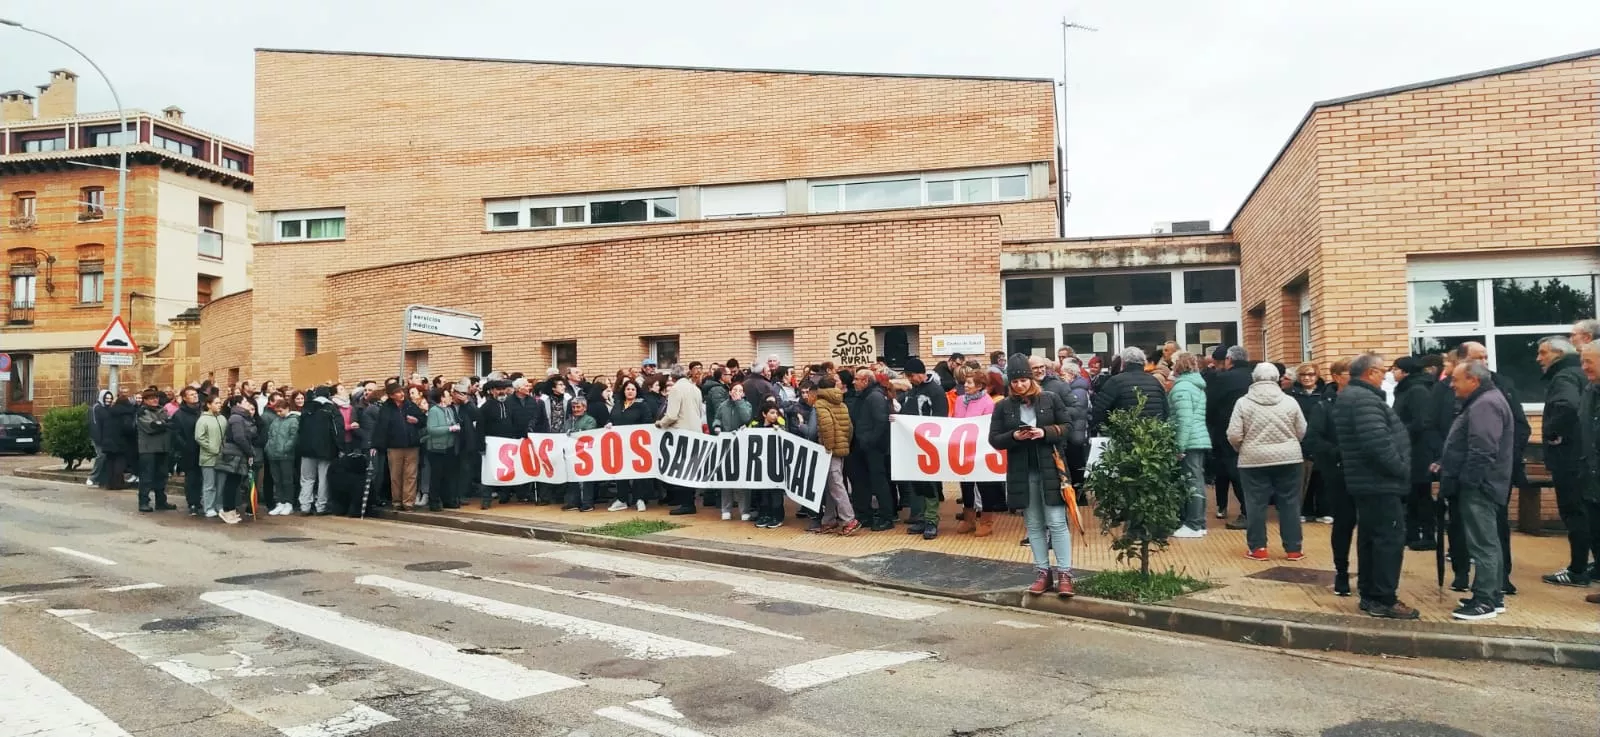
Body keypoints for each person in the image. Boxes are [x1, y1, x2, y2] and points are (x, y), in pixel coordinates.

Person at [1333, 353, 1419, 619]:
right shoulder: (1364, 399)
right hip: (1379, 482)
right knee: (1387, 540)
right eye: (1383, 371)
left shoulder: (1354, 396)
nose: (1386, 376)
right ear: (1370, 372)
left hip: (1369, 482)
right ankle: (1383, 598)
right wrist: (1402, 469)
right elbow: (1377, 445)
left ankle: (1370, 595)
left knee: (1371, 539)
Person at [991, 353, 1075, 598]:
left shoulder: (1050, 398)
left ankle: (1065, 574)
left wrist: (1044, 432)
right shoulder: (1004, 407)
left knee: (1057, 523)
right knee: (1034, 525)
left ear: (1031, 379)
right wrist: (1014, 437)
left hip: (1051, 469)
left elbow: (1068, 427)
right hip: (1022, 471)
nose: (1019, 385)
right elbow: (994, 438)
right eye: (1014, 382)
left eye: (1023, 380)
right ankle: (1042, 572)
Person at [1437, 360, 1514, 620]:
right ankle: (1492, 595)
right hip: (1482, 483)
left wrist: (1468, 482)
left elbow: (1483, 449)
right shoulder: (1485, 400)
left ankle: (1485, 601)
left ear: (1473, 380)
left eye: (1456, 379)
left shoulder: (1485, 404)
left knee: (1483, 544)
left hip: (1480, 486)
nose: (1451, 385)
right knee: (1487, 542)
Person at [1228, 363, 1308, 560]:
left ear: (1254, 379)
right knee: (1290, 503)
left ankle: (1258, 548)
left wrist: (1242, 448)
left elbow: (1234, 434)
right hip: (1289, 459)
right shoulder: (1290, 401)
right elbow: (1302, 429)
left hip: (1253, 460)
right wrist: (1290, 444)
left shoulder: (1243, 403)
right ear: (1278, 378)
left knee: (1255, 504)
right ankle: (1293, 549)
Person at [1538, 337, 1595, 587]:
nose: (1539, 359)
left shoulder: (1564, 377)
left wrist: (1552, 433)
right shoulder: (1583, 376)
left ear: (1558, 353)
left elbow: (1567, 406)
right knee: (1589, 513)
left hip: (1570, 459)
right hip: (1586, 458)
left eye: (1543, 353)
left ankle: (1577, 569)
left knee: (1574, 514)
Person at [1310, 359, 1357, 595]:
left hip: (1367, 474)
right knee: (1343, 524)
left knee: (1369, 528)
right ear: (1337, 376)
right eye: (1350, 373)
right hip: (1338, 473)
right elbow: (1314, 439)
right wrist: (1337, 453)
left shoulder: (1369, 400)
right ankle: (1341, 571)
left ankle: (1369, 574)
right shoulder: (1324, 406)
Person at [1391, 356, 1439, 551]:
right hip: (1409, 449)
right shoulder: (1405, 388)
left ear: (1405, 371)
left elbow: (1421, 421)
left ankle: (1427, 535)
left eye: (1394, 369)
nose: (1391, 372)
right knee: (1411, 494)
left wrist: (1400, 433)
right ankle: (1411, 533)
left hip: (1419, 450)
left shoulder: (1417, 390)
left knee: (1421, 494)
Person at [897, 358, 949, 539]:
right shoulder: (914, 391)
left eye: (911, 376)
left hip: (929, 445)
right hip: (913, 444)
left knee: (930, 484)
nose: (910, 379)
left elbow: (941, 418)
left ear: (920, 373)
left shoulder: (935, 391)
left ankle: (931, 520)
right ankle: (922, 517)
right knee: (917, 484)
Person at [1207, 346, 1254, 529]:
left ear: (1229, 360)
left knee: (1234, 472)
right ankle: (1253, 510)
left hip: (1227, 430)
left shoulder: (1222, 379)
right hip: (1255, 430)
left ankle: (1247, 512)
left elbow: (1210, 404)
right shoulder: (1254, 376)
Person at [810, 377, 861, 535]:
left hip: (829, 450)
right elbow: (850, 428)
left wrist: (828, 447)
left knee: (836, 484)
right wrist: (844, 443)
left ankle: (849, 519)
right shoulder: (842, 403)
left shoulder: (820, 404)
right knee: (832, 484)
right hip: (841, 448)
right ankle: (829, 519)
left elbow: (826, 427)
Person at [847, 368, 895, 531]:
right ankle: (865, 515)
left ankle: (886, 517)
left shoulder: (874, 396)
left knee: (879, 482)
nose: (854, 382)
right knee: (864, 482)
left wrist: (868, 441)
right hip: (863, 447)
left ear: (866, 380)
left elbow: (881, 423)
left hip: (873, 448)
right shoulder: (865, 395)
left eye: (857, 379)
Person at [951, 371, 998, 536]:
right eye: (965, 382)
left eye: (970, 383)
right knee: (966, 484)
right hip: (963, 448)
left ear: (979, 386)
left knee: (984, 486)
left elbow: (987, 426)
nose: (966, 385)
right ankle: (968, 518)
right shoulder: (959, 400)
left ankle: (986, 521)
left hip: (980, 449)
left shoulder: (988, 402)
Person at [1168, 352, 1210, 537]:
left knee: (1191, 481)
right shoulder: (1196, 385)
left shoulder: (1182, 388)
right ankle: (1198, 523)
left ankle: (1193, 524)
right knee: (1196, 480)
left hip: (1189, 440)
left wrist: (1179, 447)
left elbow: (1184, 420)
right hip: (1198, 438)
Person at [658, 364, 707, 515]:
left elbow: (672, 415)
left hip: (681, 433)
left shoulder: (676, 389)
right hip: (695, 432)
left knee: (681, 469)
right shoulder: (695, 389)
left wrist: (661, 423)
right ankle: (689, 501)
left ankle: (686, 503)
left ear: (672, 377)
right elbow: (699, 411)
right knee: (690, 469)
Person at [1287, 362, 1332, 524]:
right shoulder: (1291, 394)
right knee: (1302, 478)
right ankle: (1304, 510)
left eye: (1311, 374)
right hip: (1299, 440)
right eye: (1303, 375)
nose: (1307, 378)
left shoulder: (1325, 393)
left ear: (1317, 375)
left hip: (1321, 439)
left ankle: (1324, 510)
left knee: (1321, 477)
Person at [374, 383, 425, 511]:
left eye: (402, 391)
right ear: (391, 395)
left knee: (411, 475)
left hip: (412, 444)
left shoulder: (410, 405)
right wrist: (378, 444)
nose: (402, 394)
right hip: (394, 446)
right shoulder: (386, 408)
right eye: (398, 392)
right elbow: (381, 428)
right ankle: (397, 501)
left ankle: (408, 502)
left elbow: (423, 420)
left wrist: (417, 421)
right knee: (396, 475)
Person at [1090, 346, 1169, 431]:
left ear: (1123, 363)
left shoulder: (1115, 381)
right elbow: (1166, 411)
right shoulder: (1154, 381)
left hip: (1124, 436)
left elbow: (1099, 410)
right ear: (1143, 363)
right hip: (1151, 437)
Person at [609, 380, 656, 513]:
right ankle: (622, 499)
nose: (630, 391)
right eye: (628, 389)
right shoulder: (618, 405)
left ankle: (639, 499)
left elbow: (647, 423)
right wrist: (609, 424)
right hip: (619, 444)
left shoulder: (642, 406)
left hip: (636, 445)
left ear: (637, 391)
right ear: (624, 391)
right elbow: (611, 419)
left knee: (638, 473)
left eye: (633, 389)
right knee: (620, 472)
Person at [296, 387, 344, 516]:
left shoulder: (306, 409)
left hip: (306, 449)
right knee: (323, 478)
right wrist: (341, 448)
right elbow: (337, 430)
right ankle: (321, 506)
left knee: (306, 478)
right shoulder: (331, 409)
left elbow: (300, 429)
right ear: (328, 395)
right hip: (326, 449)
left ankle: (305, 506)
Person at [216, 395, 258, 525]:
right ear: (239, 404)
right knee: (231, 482)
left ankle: (231, 510)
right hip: (234, 454)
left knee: (234, 482)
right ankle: (227, 510)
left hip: (239, 454)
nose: (247, 403)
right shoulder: (236, 418)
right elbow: (239, 437)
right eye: (245, 401)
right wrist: (249, 452)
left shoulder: (243, 417)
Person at [134, 389, 176, 513]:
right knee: (147, 477)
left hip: (163, 448)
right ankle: (143, 502)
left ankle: (161, 501)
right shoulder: (142, 412)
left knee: (162, 476)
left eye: (156, 397)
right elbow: (151, 427)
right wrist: (163, 424)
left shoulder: (162, 409)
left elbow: (169, 424)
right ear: (145, 400)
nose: (155, 400)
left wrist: (163, 424)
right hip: (148, 449)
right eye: (151, 398)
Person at [748, 401, 789, 528]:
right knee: (763, 492)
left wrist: (780, 431)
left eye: (776, 413)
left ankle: (777, 515)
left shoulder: (779, 427)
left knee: (775, 491)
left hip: (775, 465)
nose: (775, 416)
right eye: (772, 413)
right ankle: (764, 514)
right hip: (761, 465)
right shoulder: (756, 427)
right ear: (764, 414)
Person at [423, 388, 462, 511]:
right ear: (441, 398)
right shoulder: (434, 410)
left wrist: (456, 427)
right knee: (437, 475)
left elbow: (452, 422)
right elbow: (432, 429)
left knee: (447, 475)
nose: (450, 397)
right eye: (447, 395)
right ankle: (434, 501)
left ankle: (447, 499)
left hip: (449, 446)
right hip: (436, 447)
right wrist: (449, 429)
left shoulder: (449, 409)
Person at [263, 398, 301, 516]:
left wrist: (285, 448)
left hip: (286, 455)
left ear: (287, 409)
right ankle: (280, 502)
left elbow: (293, 437)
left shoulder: (294, 421)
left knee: (287, 480)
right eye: (277, 411)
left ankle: (289, 503)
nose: (278, 414)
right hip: (273, 454)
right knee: (277, 480)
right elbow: (270, 435)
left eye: (280, 411)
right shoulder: (276, 421)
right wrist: (268, 448)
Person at [451, 380, 484, 510]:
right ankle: (453, 494)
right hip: (452, 440)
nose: (462, 396)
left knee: (465, 469)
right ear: (453, 393)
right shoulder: (449, 405)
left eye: (464, 393)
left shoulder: (468, 405)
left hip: (466, 441)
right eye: (459, 393)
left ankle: (463, 494)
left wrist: (466, 402)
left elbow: (478, 416)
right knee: (453, 470)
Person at [171, 387, 204, 515]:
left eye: (195, 394)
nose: (195, 396)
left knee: (201, 477)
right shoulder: (179, 414)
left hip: (203, 449)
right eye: (191, 394)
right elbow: (176, 434)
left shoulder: (202, 410)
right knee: (192, 477)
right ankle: (192, 502)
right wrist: (185, 446)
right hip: (189, 451)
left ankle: (200, 500)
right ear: (184, 398)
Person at [562, 396, 598, 511]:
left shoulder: (590, 420)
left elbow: (589, 433)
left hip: (586, 454)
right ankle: (573, 502)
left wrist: (575, 433)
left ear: (585, 408)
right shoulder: (568, 421)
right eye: (573, 407)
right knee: (572, 478)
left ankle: (588, 502)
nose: (575, 409)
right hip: (571, 454)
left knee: (586, 480)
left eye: (578, 407)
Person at [195, 394, 227, 518]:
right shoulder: (203, 419)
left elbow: (226, 435)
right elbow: (199, 437)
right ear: (209, 405)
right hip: (208, 457)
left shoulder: (223, 419)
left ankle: (219, 505)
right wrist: (212, 448)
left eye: (220, 403)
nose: (219, 405)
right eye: (216, 403)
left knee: (221, 484)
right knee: (210, 484)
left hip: (222, 456)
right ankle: (208, 507)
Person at [87, 390, 114, 488]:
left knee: (105, 457)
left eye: (110, 399)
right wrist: (98, 438)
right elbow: (94, 424)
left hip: (106, 439)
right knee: (101, 456)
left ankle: (100, 480)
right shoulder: (96, 408)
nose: (108, 400)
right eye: (106, 398)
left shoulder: (108, 409)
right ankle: (92, 477)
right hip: (98, 438)